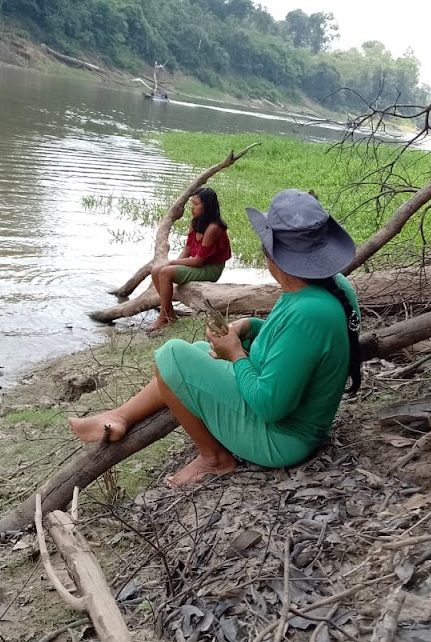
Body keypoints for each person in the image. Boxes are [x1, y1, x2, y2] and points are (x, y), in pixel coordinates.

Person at [72, 189, 362, 487]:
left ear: (272, 254)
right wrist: (251, 327)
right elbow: (300, 346)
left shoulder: (309, 312)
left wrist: (236, 354)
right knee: (196, 351)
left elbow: (270, 406)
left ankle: (214, 458)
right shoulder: (331, 287)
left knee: (173, 353)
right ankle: (120, 416)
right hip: (292, 421)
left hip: (281, 439)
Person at [149, 187, 232, 331]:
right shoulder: (195, 222)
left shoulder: (214, 228)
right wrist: (171, 266)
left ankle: (163, 318)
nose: (192, 208)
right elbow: (187, 249)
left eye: (196, 204)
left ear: (207, 206)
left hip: (211, 269)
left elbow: (198, 261)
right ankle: (170, 315)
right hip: (199, 264)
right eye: (191, 204)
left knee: (164, 272)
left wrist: (172, 264)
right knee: (157, 270)